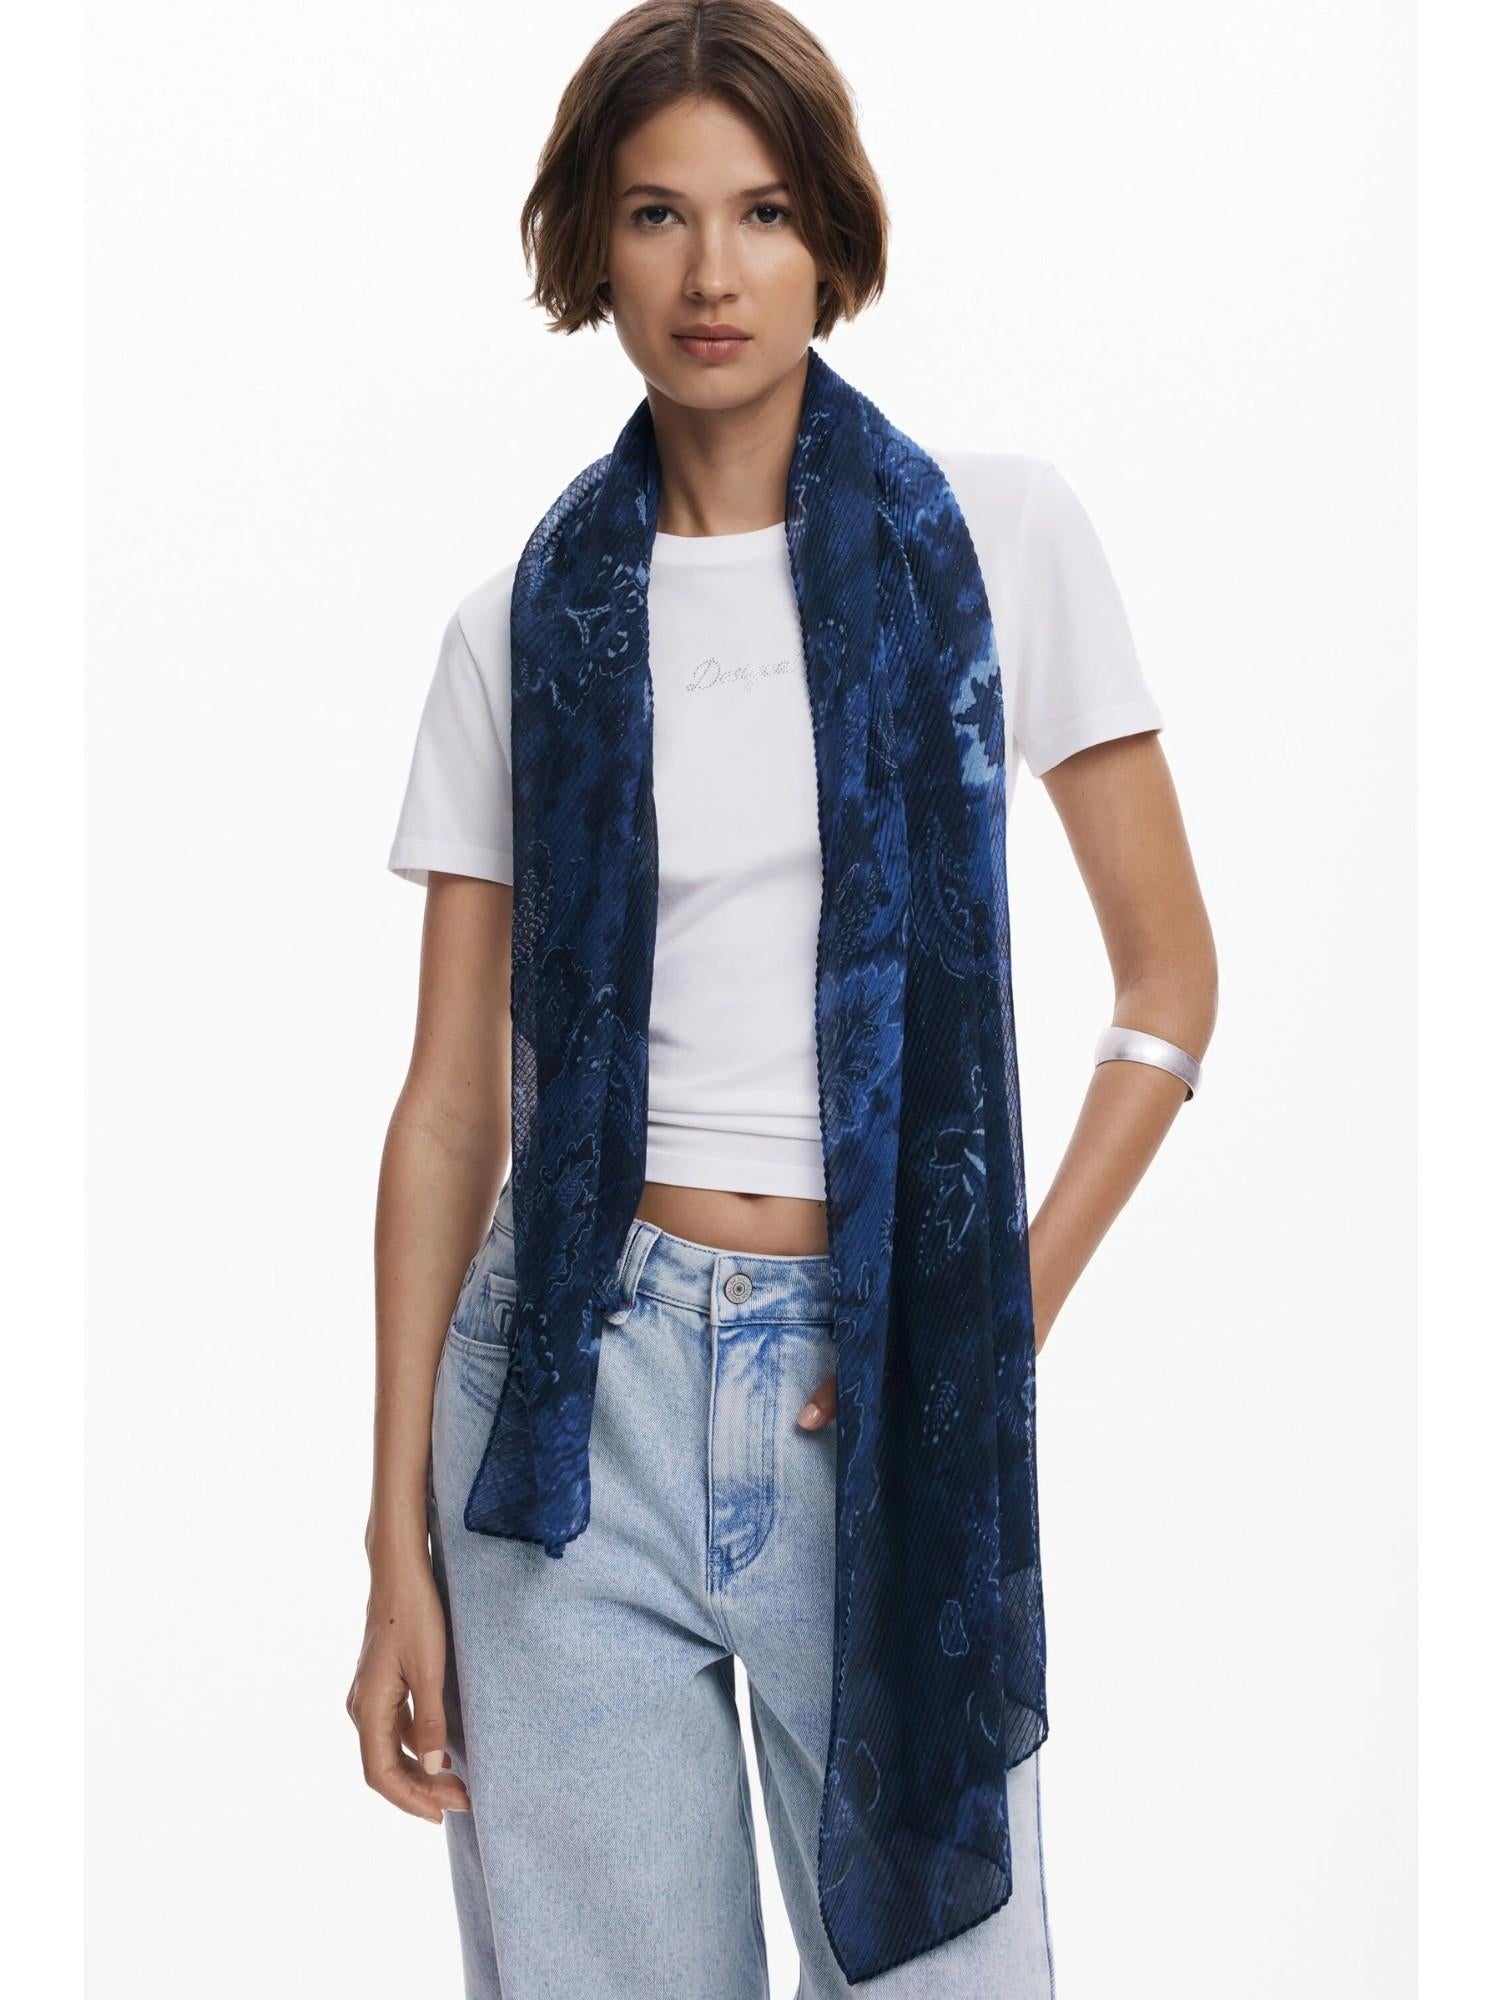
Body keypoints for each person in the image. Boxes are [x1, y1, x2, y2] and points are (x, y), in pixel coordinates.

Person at [348, 3, 1218, 1994]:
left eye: (760, 212)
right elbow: (450, 1107)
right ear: (593, 248)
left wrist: (987, 1318)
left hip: (874, 1391)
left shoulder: (995, 537)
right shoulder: (516, 628)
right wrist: (391, 1534)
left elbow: (1172, 976)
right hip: (565, 1408)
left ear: (832, 235)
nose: (712, 273)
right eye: (657, 214)